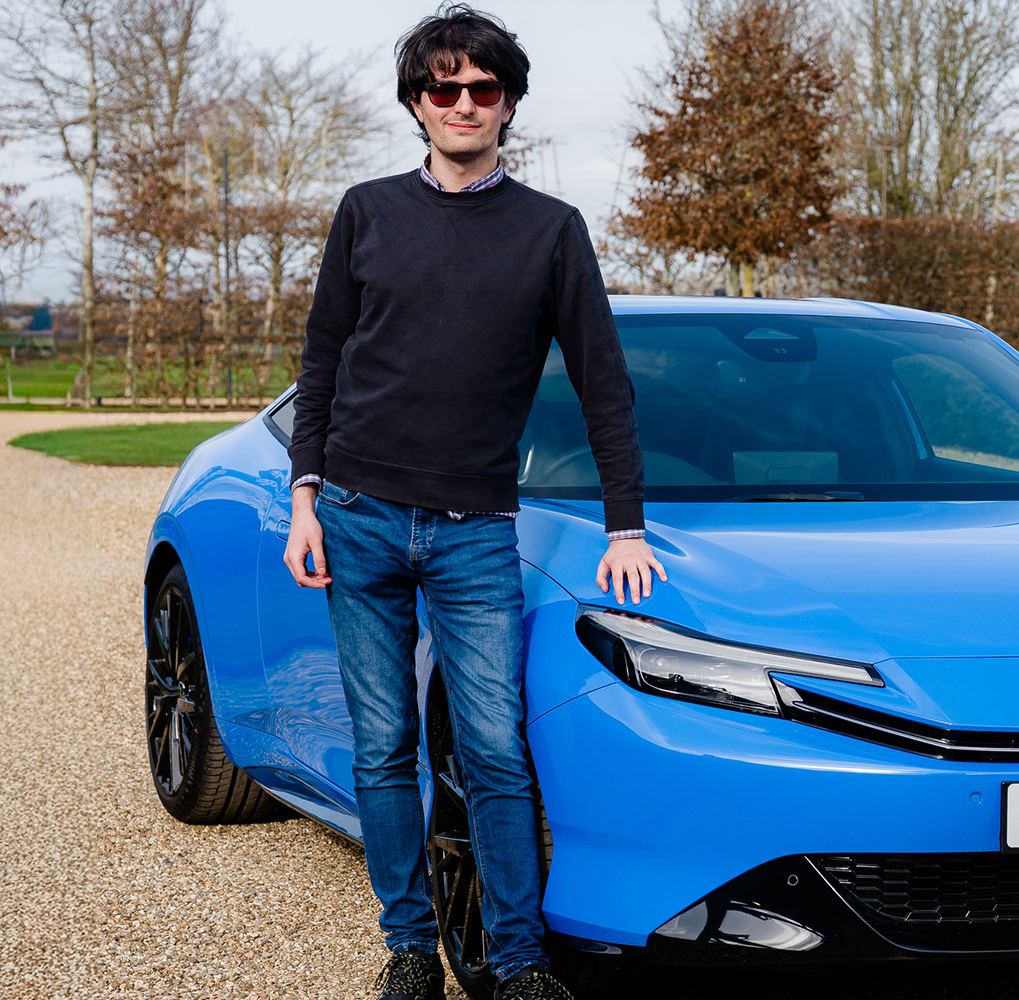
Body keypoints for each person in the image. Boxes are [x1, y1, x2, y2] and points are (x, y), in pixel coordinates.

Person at [282, 6, 666, 1000]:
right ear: (416, 102)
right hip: (357, 519)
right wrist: (306, 499)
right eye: (443, 88)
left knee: (495, 751)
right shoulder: (365, 212)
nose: (462, 104)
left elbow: (602, 382)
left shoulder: (550, 231)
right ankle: (408, 948)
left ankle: (519, 961)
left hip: (474, 536)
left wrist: (626, 524)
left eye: (482, 89)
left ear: (507, 105)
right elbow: (321, 362)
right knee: (383, 750)